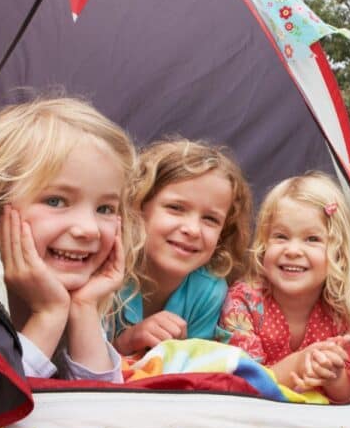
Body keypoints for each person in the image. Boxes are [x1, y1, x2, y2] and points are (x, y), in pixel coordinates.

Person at [0, 96, 143, 381]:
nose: (88, 229)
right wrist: (48, 315)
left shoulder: (82, 303)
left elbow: (103, 414)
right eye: (56, 201)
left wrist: (85, 309)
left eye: (105, 209)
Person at [216, 172, 350, 403]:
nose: (292, 250)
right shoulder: (244, 301)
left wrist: (334, 376)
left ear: (339, 253)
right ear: (263, 243)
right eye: (281, 236)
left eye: (312, 239)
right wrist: (299, 364)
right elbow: (241, 384)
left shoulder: (344, 311)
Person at [108, 139, 253, 356]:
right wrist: (126, 343)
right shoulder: (107, 270)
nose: (193, 230)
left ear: (223, 234)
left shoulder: (209, 290)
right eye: (175, 208)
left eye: (210, 219)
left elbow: (190, 373)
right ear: (138, 207)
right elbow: (76, 365)